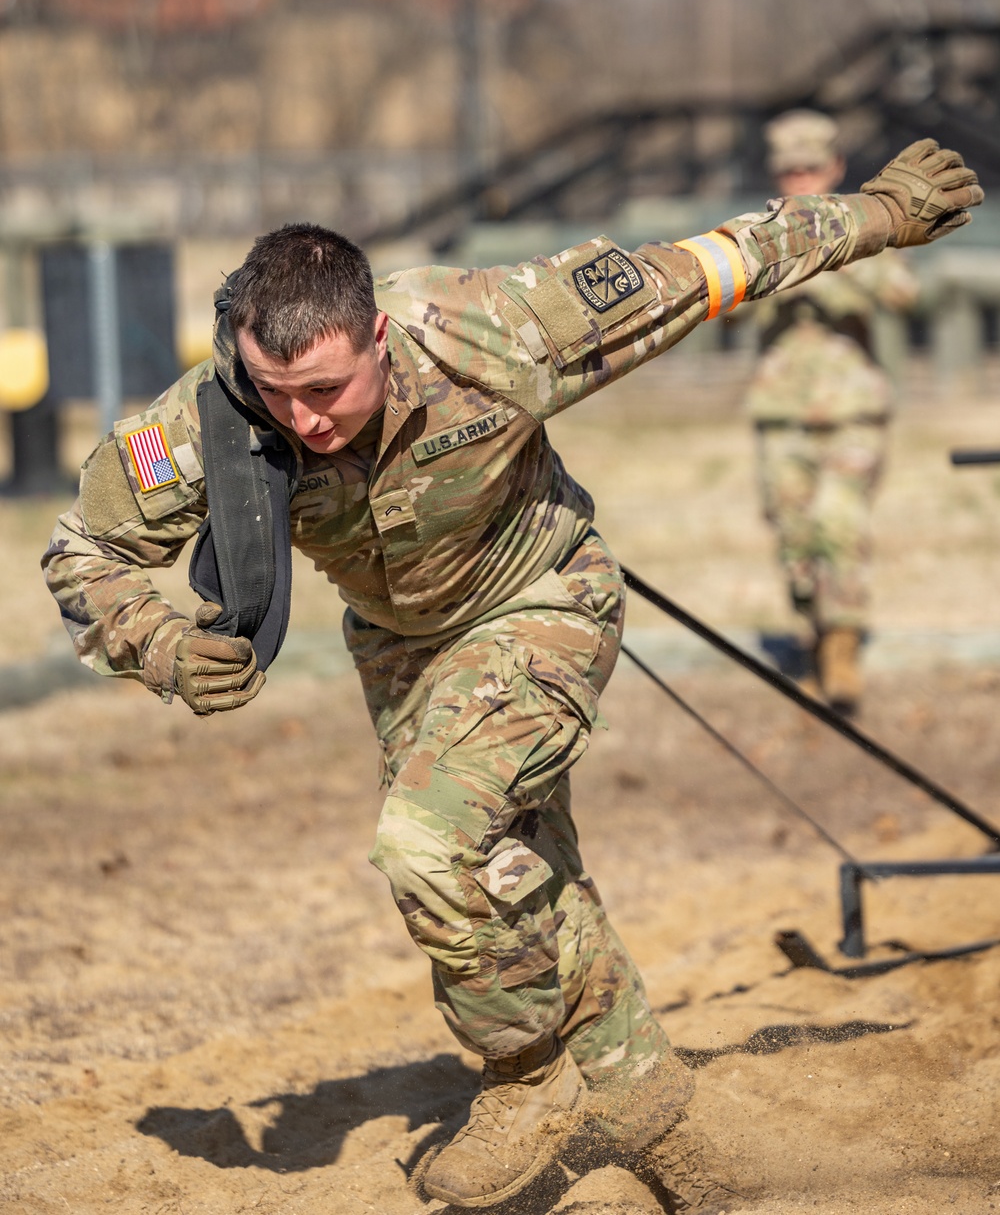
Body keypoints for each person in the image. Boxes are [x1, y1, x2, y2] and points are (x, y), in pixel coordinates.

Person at [42, 140, 978, 1209]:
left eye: (327, 388)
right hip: (403, 648)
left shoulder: (494, 325)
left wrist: (878, 215)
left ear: (380, 339)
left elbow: (714, 265)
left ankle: (525, 1077)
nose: (303, 420)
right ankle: (679, 1140)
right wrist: (160, 646)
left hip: (543, 600)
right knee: (518, 879)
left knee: (428, 842)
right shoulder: (210, 424)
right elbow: (82, 551)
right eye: (275, 390)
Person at [748, 111, 919, 717]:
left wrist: (839, 271)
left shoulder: (864, 228)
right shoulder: (755, 234)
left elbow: (903, 293)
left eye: (811, 169)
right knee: (796, 537)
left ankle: (842, 651)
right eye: (790, 171)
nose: (801, 181)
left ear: (835, 168)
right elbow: (723, 307)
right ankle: (815, 633)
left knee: (838, 524)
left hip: (852, 410)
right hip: (780, 413)